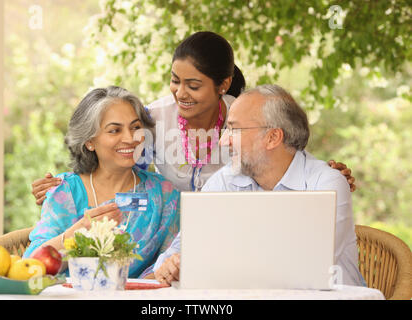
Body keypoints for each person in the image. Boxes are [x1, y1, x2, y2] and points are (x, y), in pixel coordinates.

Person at [31, 31, 356, 201]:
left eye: (194, 85)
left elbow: (282, 151)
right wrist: (68, 184)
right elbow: (117, 155)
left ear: (223, 85)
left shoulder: (245, 114)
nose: (180, 92)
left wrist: (325, 173)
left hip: (233, 227)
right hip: (169, 233)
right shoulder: (154, 117)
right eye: (175, 80)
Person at [154, 84, 365, 287]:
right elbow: (183, 246)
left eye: (234, 129)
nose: (223, 141)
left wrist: (216, 260)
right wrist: (169, 264)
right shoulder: (225, 181)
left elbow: (302, 267)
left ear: (273, 137)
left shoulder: (326, 184)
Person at [22, 86, 180, 279]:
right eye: (114, 130)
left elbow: (171, 263)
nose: (130, 139)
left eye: (136, 127)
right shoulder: (67, 192)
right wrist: (77, 233)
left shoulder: (163, 193)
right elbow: (31, 265)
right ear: (89, 141)